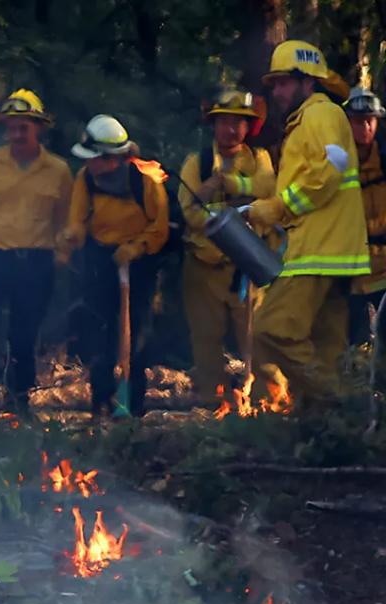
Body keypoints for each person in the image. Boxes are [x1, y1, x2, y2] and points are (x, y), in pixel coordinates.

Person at [247, 40, 367, 409]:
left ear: (307, 80)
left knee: (270, 329)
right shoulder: (308, 120)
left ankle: (340, 403)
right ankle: (324, 431)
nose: (277, 91)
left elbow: (330, 170)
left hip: (319, 250)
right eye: (275, 84)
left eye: (283, 83)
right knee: (323, 347)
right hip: (329, 249)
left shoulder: (320, 115)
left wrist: (278, 208)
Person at [0, 89, 73, 408]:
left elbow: (68, 221)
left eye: (24, 127)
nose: (17, 134)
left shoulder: (59, 171)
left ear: (39, 128)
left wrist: (60, 255)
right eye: (12, 127)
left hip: (35, 261)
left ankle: (20, 400)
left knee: (23, 336)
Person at [58, 114, 169, 417]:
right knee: (100, 334)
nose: (91, 165)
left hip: (140, 264)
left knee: (135, 337)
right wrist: (72, 236)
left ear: (114, 158)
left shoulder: (144, 181)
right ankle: (102, 403)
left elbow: (159, 229)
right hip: (101, 259)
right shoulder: (85, 178)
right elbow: (78, 219)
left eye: (96, 159)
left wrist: (136, 248)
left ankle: (132, 407)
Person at [177, 89, 275, 402]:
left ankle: (268, 400)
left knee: (258, 335)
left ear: (248, 127)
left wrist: (225, 184)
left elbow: (267, 188)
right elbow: (189, 210)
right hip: (204, 267)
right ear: (213, 124)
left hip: (247, 267)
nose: (231, 129)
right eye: (225, 122)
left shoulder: (259, 159)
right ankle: (211, 400)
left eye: (239, 123)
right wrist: (222, 220)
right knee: (205, 338)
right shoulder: (199, 162)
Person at [344, 87, 386, 346]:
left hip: (384, 268)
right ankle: (355, 386)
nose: (366, 128)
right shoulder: (337, 162)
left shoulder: (383, 159)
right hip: (352, 271)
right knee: (354, 342)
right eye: (359, 121)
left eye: (370, 121)